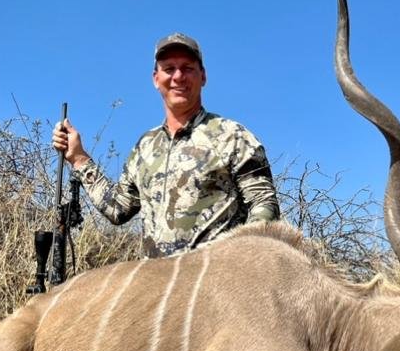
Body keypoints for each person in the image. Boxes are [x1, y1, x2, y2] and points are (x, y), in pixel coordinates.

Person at [52, 32, 280, 258]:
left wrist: (239, 264)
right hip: (156, 288)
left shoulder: (234, 136)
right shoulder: (145, 147)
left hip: (214, 287)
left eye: (187, 68)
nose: (178, 76)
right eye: (169, 69)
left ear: (203, 76)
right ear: (155, 79)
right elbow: (118, 209)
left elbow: (264, 205)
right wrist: (79, 159)